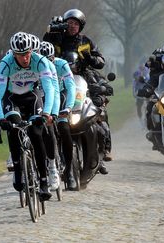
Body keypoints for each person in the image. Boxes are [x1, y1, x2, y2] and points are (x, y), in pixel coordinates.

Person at [44, 9, 113, 166]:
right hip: (59, 77)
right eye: (69, 23)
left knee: (99, 104)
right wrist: (50, 31)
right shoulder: (56, 39)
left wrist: (90, 59)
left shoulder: (86, 41)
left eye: (76, 23)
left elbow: (101, 61)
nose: (72, 26)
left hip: (84, 75)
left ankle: (105, 148)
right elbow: (44, 49)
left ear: (80, 26)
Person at [0, 32, 55, 201]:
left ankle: (43, 181)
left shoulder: (40, 61)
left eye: (27, 54)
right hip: (12, 98)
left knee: (36, 133)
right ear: (13, 54)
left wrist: (47, 113)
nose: (25, 58)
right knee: (13, 128)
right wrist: (1, 119)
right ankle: (18, 170)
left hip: (32, 97)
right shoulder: (6, 64)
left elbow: (49, 90)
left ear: (31, 52)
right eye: (20, 55)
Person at [40, 41, 78, 189]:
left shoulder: (62, 64)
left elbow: (71, 87)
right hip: (43, 97)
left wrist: (68, 108)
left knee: (64, 129)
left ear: (54, 57)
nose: (47, 63)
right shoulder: (36, 64)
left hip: (60, 97)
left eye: (50, 60)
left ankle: (69, 171)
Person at [30, 34, 61, 191]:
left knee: (47, 130)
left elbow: (53, 91)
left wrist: (51, 113)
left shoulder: (47, 65)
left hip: (46, 100)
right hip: (31, 100)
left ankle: (52, 165)